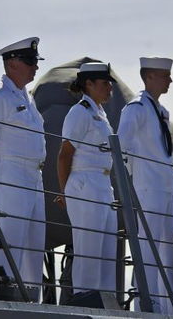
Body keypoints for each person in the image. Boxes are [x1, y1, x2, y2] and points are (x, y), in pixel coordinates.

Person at [0, 37, 46, 293]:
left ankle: (31, 304)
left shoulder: (27, 98)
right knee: (9, 241)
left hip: (33, 176)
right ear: (11, 63)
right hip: (10, 173)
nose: (35, 67)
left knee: (33, 247)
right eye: (29, 61)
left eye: (35, 61)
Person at [117, 57, 173, 314]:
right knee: (147, 247)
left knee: (168, 251)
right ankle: (145, 304)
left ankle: (166, 306)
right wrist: (136, 177)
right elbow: (121, 145)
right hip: (148, 187)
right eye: (165, 76)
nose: (170, 80)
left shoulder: (160, 111)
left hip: (166, 187)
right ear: (149, 77)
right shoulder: (136, 108)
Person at [57, 62, 117, 295]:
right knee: (89, 251)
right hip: (85, 184)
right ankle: (85, 299)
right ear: (88, 84)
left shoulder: (100, 114)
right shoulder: (79, 112)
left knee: (106, 252)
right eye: (105, 83)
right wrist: (64, 192)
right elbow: (64, 155)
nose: (109, 88)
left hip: (103, 184)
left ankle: (105, 303)